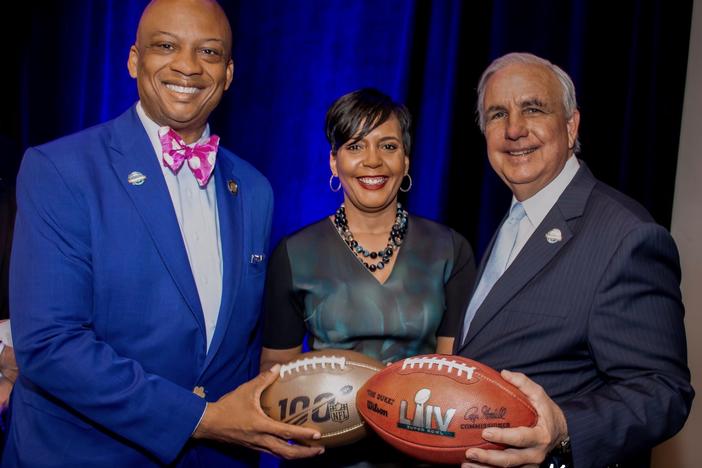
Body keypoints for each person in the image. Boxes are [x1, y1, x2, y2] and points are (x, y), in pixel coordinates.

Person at [3, 0, 324, 466]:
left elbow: (239, 347)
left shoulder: (254, 189)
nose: (188, 66)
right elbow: (51, 345)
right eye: (166, 46)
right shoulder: (60, 170)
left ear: (229, 72)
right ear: (135, 59)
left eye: (209, 52)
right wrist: (202, 417)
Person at [455, 52, 694, 468]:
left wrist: (564, 428)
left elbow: (663, 391)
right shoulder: (517, 217)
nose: (514, 129)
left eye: (533, 108)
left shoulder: (627, 235)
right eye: (497, 114)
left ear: (570, 125)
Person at [261, 88, 476, 466]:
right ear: (334, 161)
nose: (372, 162)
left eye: (388, 146)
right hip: (327, 454)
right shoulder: (295, 254)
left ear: (406, 161)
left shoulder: (450, 250)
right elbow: (274, 376)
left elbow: (454, 374)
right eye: (356, 146)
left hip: (422, 453)